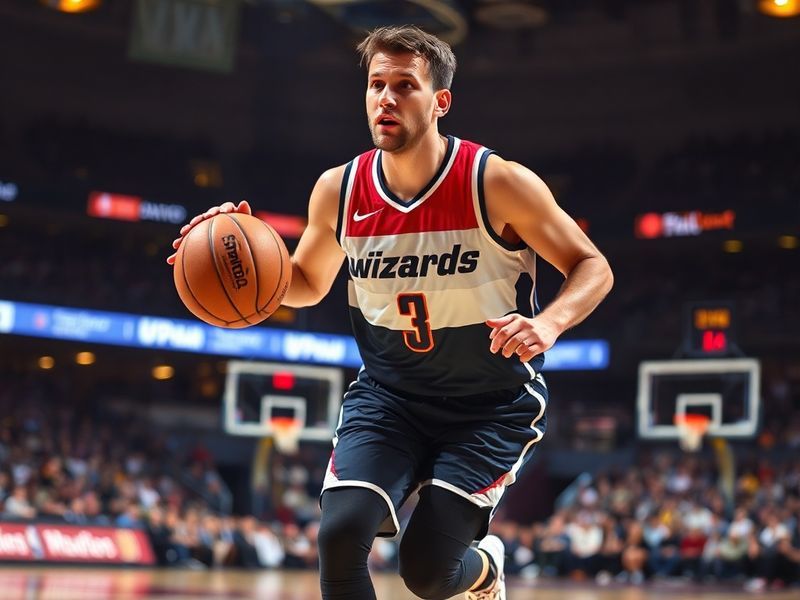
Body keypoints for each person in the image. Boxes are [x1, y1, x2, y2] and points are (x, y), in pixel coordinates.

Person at [167, 25, 613, 600]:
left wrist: (549, 323)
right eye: (378, 84)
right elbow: (304, 282)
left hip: (488, 406)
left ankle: (486, 570)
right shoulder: (339, 191)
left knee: (426, 572)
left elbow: (592, 265)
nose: (387, 97)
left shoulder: (495, 182)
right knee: (340, 535)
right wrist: (248, 268)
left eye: (406, 85)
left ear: (440, 102)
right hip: (391, 397)